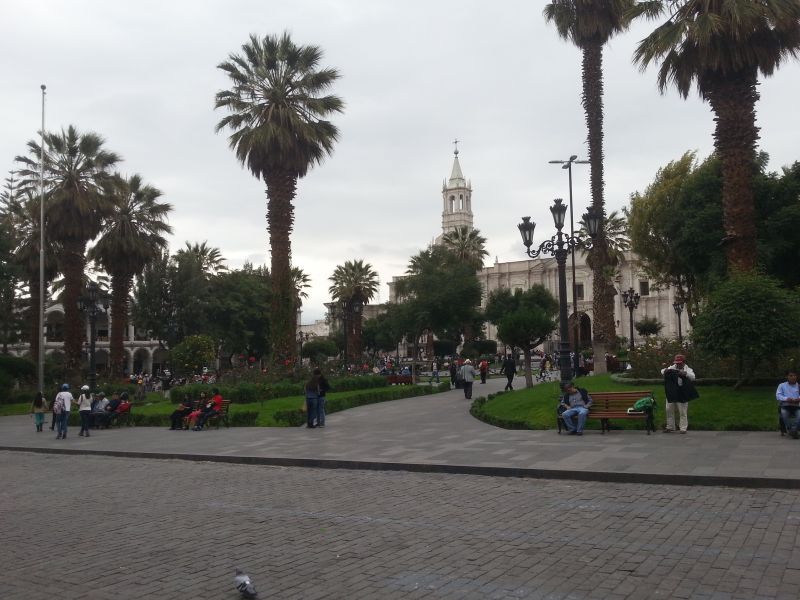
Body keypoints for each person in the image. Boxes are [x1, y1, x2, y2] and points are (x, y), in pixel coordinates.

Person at [661, 354, 698, 434]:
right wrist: (665, 371)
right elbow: (663, 371)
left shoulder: (688, 369)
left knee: (682, 411)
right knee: (669, 409)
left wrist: (685, 374)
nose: (678, 364)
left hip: (682, 392)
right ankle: (670, 427)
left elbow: (693, 377)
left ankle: (683, 428)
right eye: (676, 362)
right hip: (672, 391)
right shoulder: (672, 368)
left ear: (683, 362)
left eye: (679, 363)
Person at [776, 369, 800, 439]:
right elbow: (778, 395)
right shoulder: (782, 385)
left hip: (797, 406)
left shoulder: (799, 386)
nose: (793, 377)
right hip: (786, 406)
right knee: (784, 415)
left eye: (795, 375)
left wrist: (798, 398)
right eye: (791, 375)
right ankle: (792, 430)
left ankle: (793, 430)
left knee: (799, 416)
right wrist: (787, 399)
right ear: (787, 376)